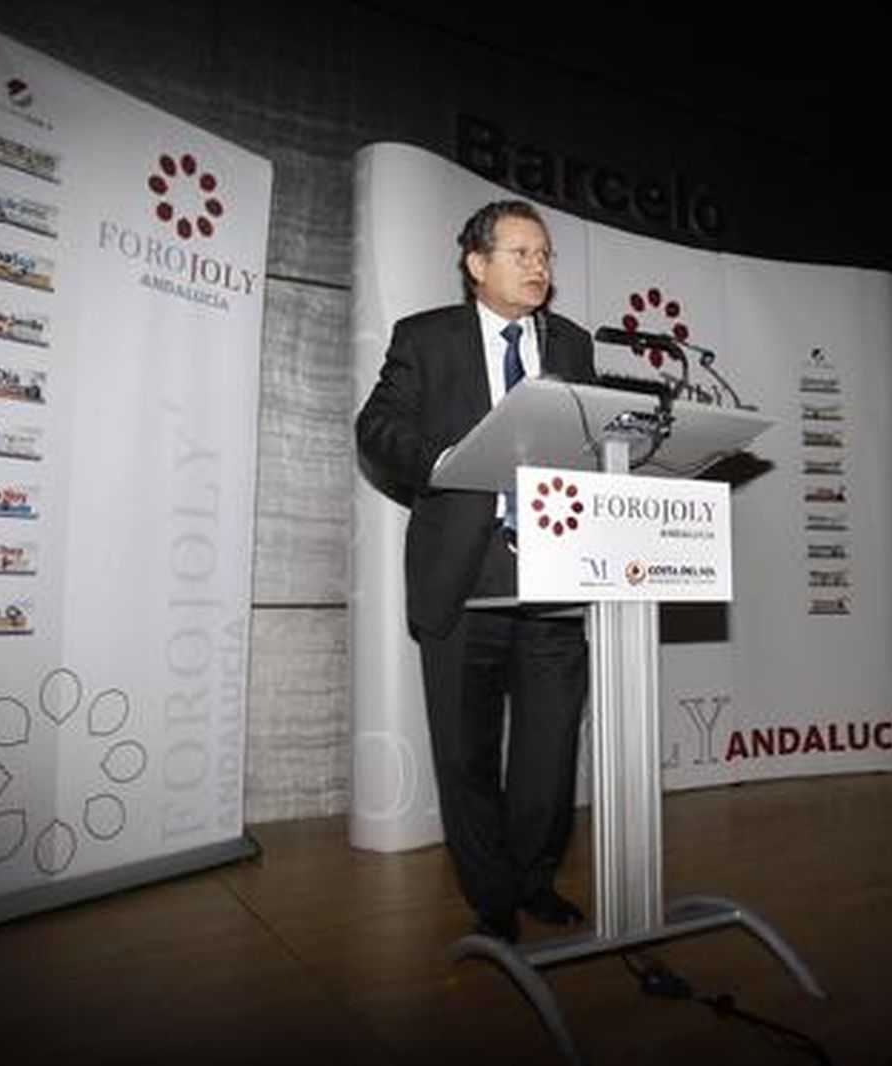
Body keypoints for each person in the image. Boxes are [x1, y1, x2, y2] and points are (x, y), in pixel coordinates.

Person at [356, 200, 595, 943]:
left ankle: (533, 877)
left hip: (555, 574)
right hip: (466, 573)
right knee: (466, 753)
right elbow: (379, 428)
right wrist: (443, 462)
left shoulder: (573, 345)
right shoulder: (425, 339)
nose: (538, 267)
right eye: (521, 253)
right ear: (477, 264)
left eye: (546, 255)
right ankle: (492, 894)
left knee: (549, 754)